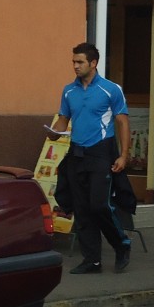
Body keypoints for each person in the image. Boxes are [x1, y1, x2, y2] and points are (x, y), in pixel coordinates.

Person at [49, 42, 133, 273]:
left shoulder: (110, 89)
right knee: (82, 208)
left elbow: (123, 121)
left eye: (80, 62)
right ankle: (92, 260)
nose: (75, 66)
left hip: (100, 152)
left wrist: (123, 155)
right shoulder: (69, 90)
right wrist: (53, 132)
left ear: (93, 63)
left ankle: (121, 244)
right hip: (77, 152)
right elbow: (63, 120)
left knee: (99, 205)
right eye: (73, 62)